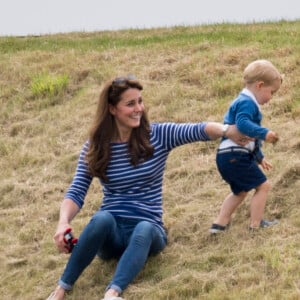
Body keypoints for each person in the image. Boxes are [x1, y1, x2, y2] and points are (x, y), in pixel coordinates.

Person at [47, 75, 249, 300]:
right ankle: (60, 290)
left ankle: (112, 293)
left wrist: (226, 130)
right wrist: (63, 222)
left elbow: (198, 129)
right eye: (130, 104)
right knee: (101, 218)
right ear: (112, 109)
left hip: (149, 231)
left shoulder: (157, 135)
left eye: (140, 102)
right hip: (112, 234)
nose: (139, 109)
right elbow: (76, 191)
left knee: (143, 228)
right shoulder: (95, 147)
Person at [209, 59, 283, 234]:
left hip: (227, 156)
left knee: (240, 191)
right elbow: (242, 125)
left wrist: (259, 157)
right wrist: (264, 133)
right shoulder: (247, 103)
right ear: (260, 85)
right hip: (236, 156)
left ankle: (219, 225)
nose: (271, 98)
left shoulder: (244, 101)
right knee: (263, 186)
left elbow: (248, 138)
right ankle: (255, 225)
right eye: (271, 92)